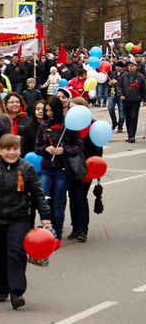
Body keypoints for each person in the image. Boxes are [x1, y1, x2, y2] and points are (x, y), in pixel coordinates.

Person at [0, 134, 51, 309]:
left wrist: (45, 215)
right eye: (7, 149)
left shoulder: (27, 167)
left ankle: (17, 292)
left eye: (15, 149)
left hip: (19, 217)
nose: (11, 153)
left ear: (20, 150)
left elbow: (38, 194)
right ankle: (2, 289)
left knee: (16, 253)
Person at [35, 97, 84, 239]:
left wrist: (64, 150)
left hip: (62, 169)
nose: (49, 113)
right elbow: (37, 146)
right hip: (46, 167)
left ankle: (57, 233)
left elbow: (79, 146)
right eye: (47, 110)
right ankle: (47, 228)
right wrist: (45, 149)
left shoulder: (68, 124)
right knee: (44, 200)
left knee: (57, 203)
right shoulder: (44, 125)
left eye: (51, 110)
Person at [66, 98, 101, 242]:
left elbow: (98, 149)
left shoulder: (92, 127)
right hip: (71, 166)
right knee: (72, 197)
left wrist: (94, 169)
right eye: (70, 108)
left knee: (80, 196)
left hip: (87, 166)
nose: (72, 111)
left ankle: (82, 229)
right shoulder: (68, 126)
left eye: (75, 108)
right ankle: (75, 227)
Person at [115, 60, 144, 142]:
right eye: (129, 66)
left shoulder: (140, 77)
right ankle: (129, 135)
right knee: (127, 118)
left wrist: (144, 99)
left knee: (133, 118)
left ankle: (132, 136)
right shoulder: (124, 76)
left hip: (136, 100)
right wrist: (120, 95)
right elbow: (119, 86)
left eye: (132, 66)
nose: (130, 67)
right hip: (126, 100)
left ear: (136, 67)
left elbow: (143, 88)